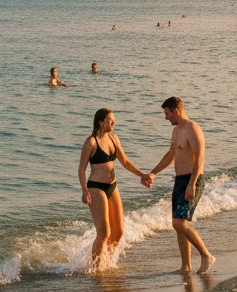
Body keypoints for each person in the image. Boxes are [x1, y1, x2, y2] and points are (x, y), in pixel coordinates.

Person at [148, 96, 215, 275]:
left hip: (192, 180)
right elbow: (171, 155)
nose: (165, 117)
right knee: (178, 223)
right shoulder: (176, 131)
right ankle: (186, 266)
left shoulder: (192, 129)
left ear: (175, 111)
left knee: (179, 223)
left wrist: (192, 184)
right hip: (179, 180)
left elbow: (199, 159)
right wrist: (153, 172)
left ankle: (206, 256)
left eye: (167, 113)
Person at [78, 108, 152, 265]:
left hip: (112, 186)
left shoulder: (113, 138)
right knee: (104, 233)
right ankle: (96, 267)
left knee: (118, 232)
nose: (113, 122)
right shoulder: (91, 142)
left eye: (114, 120)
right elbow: (81, 169)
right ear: (100, 121)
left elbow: (124, 161)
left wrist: (142, 175)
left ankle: (107, 262)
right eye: (110, 120)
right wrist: (85, 190)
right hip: (96, 187)